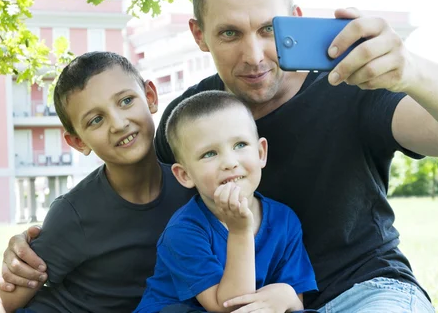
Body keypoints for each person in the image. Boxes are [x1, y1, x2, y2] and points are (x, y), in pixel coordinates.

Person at [0, 0, 438, 312]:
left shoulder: (352, 88)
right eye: (230, 33)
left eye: (268, 28)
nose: (254, 55)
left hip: (363, 291)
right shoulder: (191, 115)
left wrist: (412, 71)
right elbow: (135, 188)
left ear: (294, 20)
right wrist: (38, 243)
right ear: (199, 35)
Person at [0, 51, 195, 312]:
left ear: (150, 97)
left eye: (126, 101)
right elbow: (3, 303)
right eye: (96, 120)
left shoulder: (191, 186)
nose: (118, 123)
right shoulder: (74, 213)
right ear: (78, 142)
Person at [134, 91, 317, 313]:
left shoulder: (284, 221)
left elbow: (296, 304)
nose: (229, 162)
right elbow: (231, 307)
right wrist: (240, 231)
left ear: (261, 152)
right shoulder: (183, 231)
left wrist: (286, 296)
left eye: (240, 145)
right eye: (209, 154)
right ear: (185, 175)